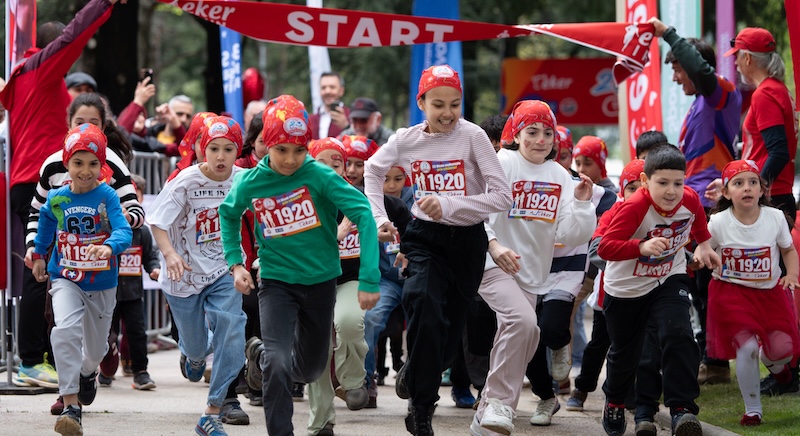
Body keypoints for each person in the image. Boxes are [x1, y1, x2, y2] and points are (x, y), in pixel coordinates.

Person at [218, 95, 380, 436]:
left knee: (309, 369)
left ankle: (259, 354)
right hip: (276, 282)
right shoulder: (251, 181)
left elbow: (363, 213)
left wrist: (368, 278)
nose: (290, 160)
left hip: (321, 282)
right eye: (281, 150)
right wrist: (236, 264)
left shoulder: (319, 175)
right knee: (278, 363)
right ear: (266, 146)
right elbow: (229, 214)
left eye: (298, 150)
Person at [363, 64, 512, 435]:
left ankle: (415, 373)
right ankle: (422, 409)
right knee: (424, 310)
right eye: (438, 104)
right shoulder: (405, 139)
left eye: (455, 104)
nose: (447, 113)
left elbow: (502, 196)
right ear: (422, 103)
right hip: (423, 238)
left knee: (447, 339)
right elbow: (372, 171)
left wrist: (449, 205)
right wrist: (379, 217)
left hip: (467, 243)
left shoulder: (474, 136)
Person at [0, 0, 126, 392]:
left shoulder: (20, 76)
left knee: (51, 263)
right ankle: (33, 361)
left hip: (33, 177)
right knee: (42, 264)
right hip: (45, 180)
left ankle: (53, 357)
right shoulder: (41, 68)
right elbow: (74, 34)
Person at [469, 100, 596, 435]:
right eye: (532, 132)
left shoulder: (560, 176)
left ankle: (483, 416)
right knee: (522, 322)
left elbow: (570, 233)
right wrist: (494, 246)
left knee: (528, 333)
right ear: (516, 133)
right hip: (490, 262)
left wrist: (582, 203)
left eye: (547, 133)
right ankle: (500, 402)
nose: (541, 139)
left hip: (531, 273)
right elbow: (476, 213)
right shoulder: (503, 162)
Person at [597, 144, 720, 436]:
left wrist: (703, 245)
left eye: (678, 183)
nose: (671, 191)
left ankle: (682, 409)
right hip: (626, 288)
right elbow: (604, 247)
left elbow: (698, 221)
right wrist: (640, 246)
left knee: (678, 333)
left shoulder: (688, 198)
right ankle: (614, 400)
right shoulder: (634, 207)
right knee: (626, 355)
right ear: (645, 182)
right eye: (662, 183)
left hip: (669, 276)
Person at [651, 17, 743, 386]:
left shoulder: (720, 93)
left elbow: (702, 73)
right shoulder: (697, 106)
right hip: (695, 205)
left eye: (677, 70)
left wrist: (667, 34)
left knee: (708, 286)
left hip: (714, 204)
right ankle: (710, 358)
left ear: (691, 66)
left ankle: (717, 362)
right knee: (698, 286)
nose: (675, 79)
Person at [148, 116, 248, 436]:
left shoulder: (245, 179)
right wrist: (171, 255)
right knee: (195, 348)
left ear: (237, 151)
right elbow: (158, 223)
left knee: (231, 330)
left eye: (228, 149)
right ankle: (192, 356)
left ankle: (213, 410)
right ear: (203, 150)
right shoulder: (186, 181)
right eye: (214, 148)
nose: (221, 156)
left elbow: (274, 199)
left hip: (225, 269)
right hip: (184, 275)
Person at [32, 123, 133, 436]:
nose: (85, 171)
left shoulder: (106, 196)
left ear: (101, 167)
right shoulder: (58, 198)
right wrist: (38, 254)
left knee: (94, 351)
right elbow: (46, 221)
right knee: (65, 330)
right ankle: (71, 405)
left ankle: (88, 373)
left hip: (102, 282)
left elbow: (124, 230)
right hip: (64, 276)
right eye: (78, 163)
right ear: (67, 164)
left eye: (92, 164)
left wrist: (108, 247)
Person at [726, 26, 800, 395]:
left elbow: (779, 150)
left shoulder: (766, 94)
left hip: (774, 200)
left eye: (737, 56)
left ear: (746, 58)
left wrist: (754, 187)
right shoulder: (772, 92)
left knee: (769, 288)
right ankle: (785, 368)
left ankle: (788, 369)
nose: (736, 64)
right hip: (776, 197)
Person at [706, 160, 800, 426]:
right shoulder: (717, 222)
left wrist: (791, 274)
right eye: (738, 183)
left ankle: (778, 368)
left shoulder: (775, 217)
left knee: (780, 350)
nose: (746, 188)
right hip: (731, 294)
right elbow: (704, 248)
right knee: (746, 349)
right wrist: (703, 256)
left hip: (770, 294)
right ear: (726, 192)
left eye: (752, 182)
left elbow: (788, 250)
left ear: (762, 189)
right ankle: (753, 410)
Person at [566, 159, 644, 414]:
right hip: (608, 295)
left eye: (642, 188)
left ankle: (626, 394)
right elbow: (597, 251)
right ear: (622, 190)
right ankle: (582, 389)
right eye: (631, 188)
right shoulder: (615, 212)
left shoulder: (657, 212)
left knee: (634, 347)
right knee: (599, 346)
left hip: (643, 293)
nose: (638, 194)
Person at [97, 173, 160, 390]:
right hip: (108, 292)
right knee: (107, 334)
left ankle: (141, 371)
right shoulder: (104, 231)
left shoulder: (141, 231)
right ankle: (106, 371)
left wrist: (154, 269)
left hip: (133, 294)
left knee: (137, 332)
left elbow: (150, 256)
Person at [309, 72, 350, 139]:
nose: (327, 91)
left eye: (332, 87)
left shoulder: (351, 117)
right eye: (323, 88)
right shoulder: (310, 120)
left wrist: (346, 126)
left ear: (341, 91)